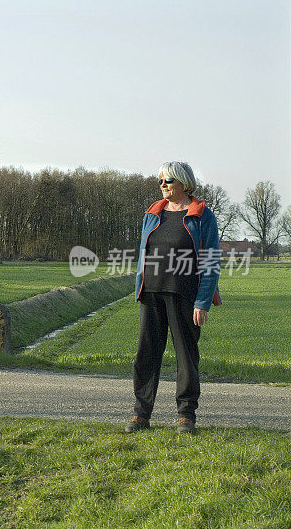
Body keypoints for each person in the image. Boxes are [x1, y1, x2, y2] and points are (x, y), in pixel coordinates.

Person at [127, 162, 221, 435]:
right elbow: (143, 255)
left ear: (183, 182)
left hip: (185, 295)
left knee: (186, 356)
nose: (163, 185)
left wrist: (203, 301)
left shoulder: (201, 215)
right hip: (152, 293)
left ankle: (186, 415)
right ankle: (141, 413)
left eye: (168, 180)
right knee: (146, 355)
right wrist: (139, 288)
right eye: (160, 181)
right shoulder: (152, 214)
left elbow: (211, 261)